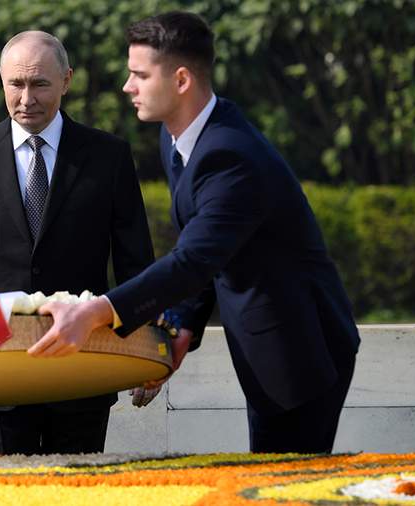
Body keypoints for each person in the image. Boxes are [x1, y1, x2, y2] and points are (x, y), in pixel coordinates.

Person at [32, 11, 360, 454]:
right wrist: (182, 326)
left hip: (302, 350)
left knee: (286, 483)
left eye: (140, 75)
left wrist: (94, 313)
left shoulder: (230, 156)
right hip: (269, 343)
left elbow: (193, 260)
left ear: (181, 79)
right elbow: (206, 243)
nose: (127, 86)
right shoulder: (179, 136)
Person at [0, 31, 154, 456]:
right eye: (15, 84)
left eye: (39, 84)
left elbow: (136, 265)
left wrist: (145, 352)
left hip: (83, 369)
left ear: (66, 80)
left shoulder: (108, 156)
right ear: (1, 80)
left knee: (79, 487)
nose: (26, 98)